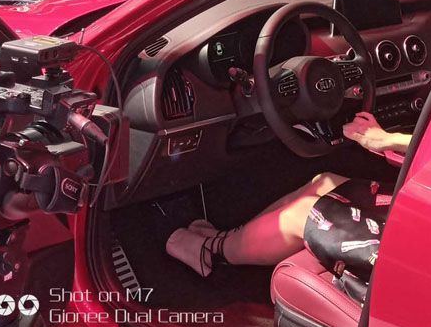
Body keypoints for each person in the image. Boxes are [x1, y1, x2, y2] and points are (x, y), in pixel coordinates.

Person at [166, 112, 411, 279]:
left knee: (305, 213)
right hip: (424, 216)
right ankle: (230, 239)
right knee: (324, 183)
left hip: (415, 255)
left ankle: (213, 253)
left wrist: (389, 140)